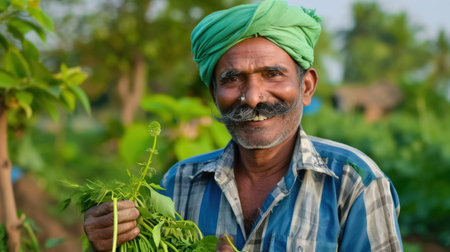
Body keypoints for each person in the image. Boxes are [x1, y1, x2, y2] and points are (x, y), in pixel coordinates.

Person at [83, 0, 403, 251]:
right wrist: (111, 243)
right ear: (213, 94)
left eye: (273, 74)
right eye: (232, 78)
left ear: (306, 86)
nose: (252, 97)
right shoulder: (180, 182)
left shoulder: (353, 183)